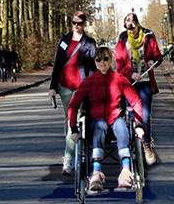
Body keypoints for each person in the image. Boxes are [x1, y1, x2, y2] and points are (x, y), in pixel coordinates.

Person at [68, 46, 145, 193]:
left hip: (115, 119)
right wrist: (73, 128)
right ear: (95, 61)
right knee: (100, 125)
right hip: (96, 123)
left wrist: (139, 125)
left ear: (111, 60)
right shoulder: (89, 81)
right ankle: (96, 173)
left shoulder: (120, 79)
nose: (102, 62)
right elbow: (74, 105)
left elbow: (135, 101)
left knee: (122, 125)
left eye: (105, 59)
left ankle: (126, 172)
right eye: (98, 59)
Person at [48, 11, 97, 176]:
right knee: (69, 121)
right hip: (65, 87)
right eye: (74, 22)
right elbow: (58, 63)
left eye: (80, 23)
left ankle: (70, 159)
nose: (77, 26)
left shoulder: (89, 43)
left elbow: (93, 67)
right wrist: (52, 86)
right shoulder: (64, 40)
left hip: (81, 87)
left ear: (84, 24)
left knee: (75, 121)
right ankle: (72, 155)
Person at [115, 12, 163, 166]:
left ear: (137, 24)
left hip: (146, 82)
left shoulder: (148, 35)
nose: (131, 29)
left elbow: (157, 55)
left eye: (133, 25)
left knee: (145, 116)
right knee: (129, 115)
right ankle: (129, 145)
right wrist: (131, 74)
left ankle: (146, 145)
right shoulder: (122, 39)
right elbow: (119, 65)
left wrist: (153, 61)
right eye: (128, 26)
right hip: (129, 83)